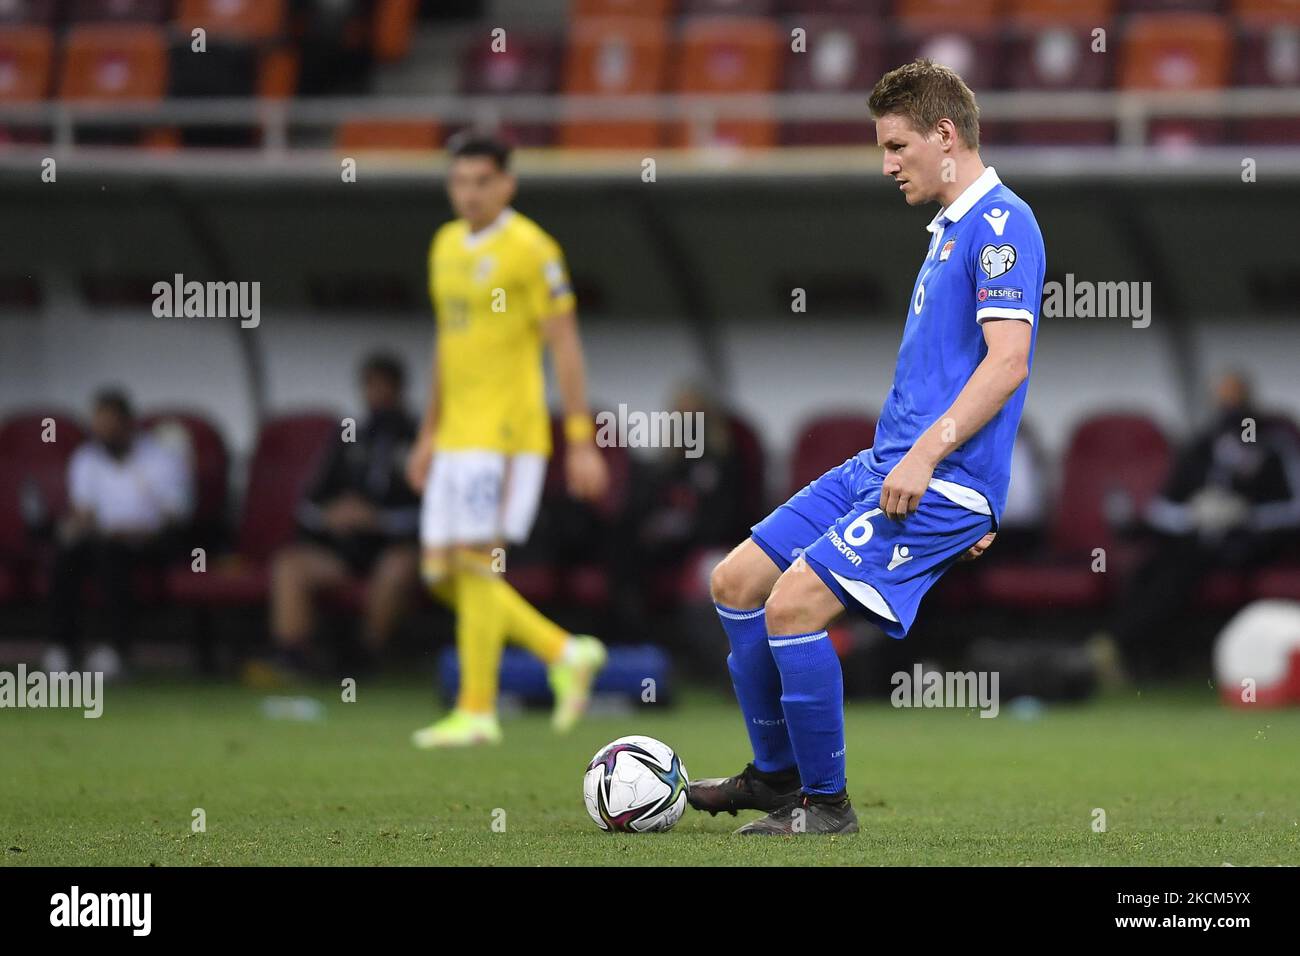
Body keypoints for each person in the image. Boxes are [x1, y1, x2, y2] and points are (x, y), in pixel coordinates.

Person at [689, 60, 1046, 835]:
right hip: (886, 465)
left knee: (794, 605)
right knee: (738, 581)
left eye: (896, 146)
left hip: (932, 477)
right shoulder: (951, 226)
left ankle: (827, 807)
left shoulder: (1001, 225)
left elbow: (1008, 362)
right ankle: (775, 779)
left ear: (944, 136)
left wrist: (941, 466)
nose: (886, 165)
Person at [406, 132, 609, 748]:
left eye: (481, 182)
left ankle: (476, 711)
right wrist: (427, 432)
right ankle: (564, 650)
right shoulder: (443, 246)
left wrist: (579, 437)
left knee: (475, 566)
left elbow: (564, 343)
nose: (468, 194)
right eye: (458, 182)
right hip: (455, 437)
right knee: (442, 575)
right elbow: (449, 342)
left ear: (507, 184)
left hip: (504, 435)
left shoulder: (531, 249)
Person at [1095, 371, 1300, 681]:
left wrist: (1245, 515)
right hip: (1198, 542)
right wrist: (1194, 515)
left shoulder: (1275, 440)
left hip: (1262, 542)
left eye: (1233, 394)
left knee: (1183, 565)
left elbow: (1292, 509)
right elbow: (1164, 507)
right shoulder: (1204, 443)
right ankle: (1120, 651)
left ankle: (1117, 646)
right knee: (1153, 566)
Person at [251, 354, 422, 683]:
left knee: (397, 566)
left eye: (384, 386)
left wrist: (379, 519)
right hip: (344, 550)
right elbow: (307, 504)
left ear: (400, 389)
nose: (377, 394)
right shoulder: (348, 435)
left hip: (393, 547)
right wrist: (333, 515)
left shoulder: (419, 438)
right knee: (290, 564)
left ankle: (362, 658)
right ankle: (293, 658)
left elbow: (431, 513)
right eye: (370, 386)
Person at [45, 389, 192, 678]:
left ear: (127, 423)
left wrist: (128, 532)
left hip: (154, 541)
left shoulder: (161, 457)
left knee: (112, 554)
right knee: (68, 553)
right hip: (104, 539)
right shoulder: (87, 458)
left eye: (110, 424)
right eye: (98, 424)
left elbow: (175, 516)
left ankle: (116, 649)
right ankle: (62, 646)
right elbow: (83, 512)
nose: (102, 432)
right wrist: (72, 529)